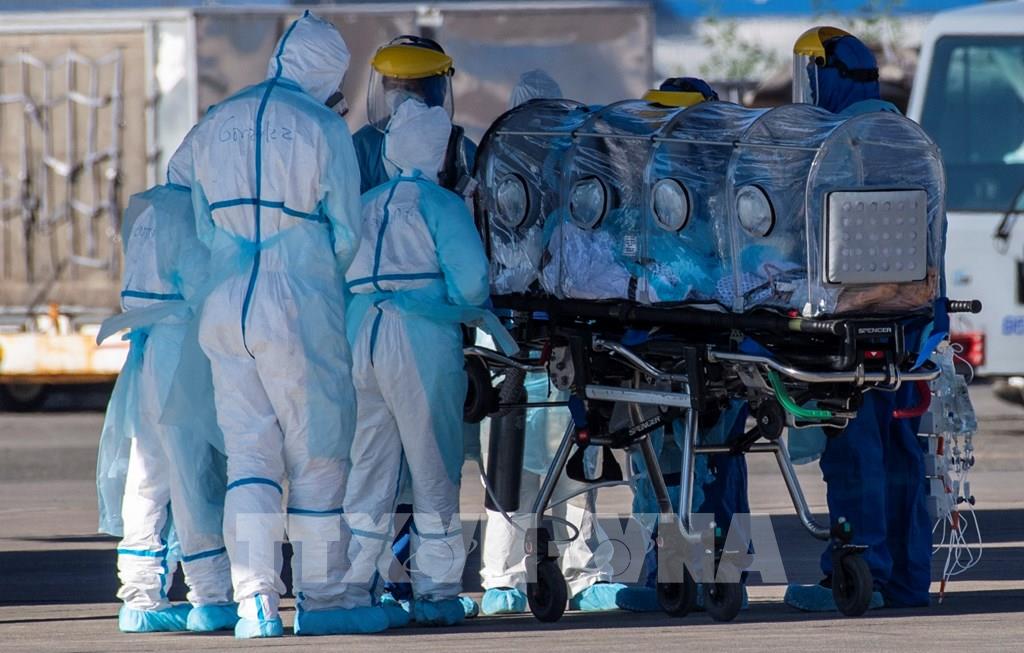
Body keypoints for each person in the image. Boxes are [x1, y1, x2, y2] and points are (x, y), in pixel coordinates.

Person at [187, 11, 371, 638]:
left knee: (249, 457)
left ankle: (255, 604)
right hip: (296, 302)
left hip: (224, 302)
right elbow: (346, 233)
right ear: (327, 70)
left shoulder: (217, 119)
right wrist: (312, 271)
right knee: (318, 452)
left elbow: (202, 223)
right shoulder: (324, 126)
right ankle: (323, 598)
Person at [784, 26, 932, 612]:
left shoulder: (832, 149)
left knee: (855, 453)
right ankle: (906, 580)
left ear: (825, 78)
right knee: (902, 455)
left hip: (844, 327)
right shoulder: (911, 142)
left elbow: (809, 247)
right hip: (912, 331)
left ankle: (857, 571)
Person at [479, 70, 630, 615]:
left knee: (572, 453)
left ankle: (578, 572)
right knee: (513, 458)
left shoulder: (577, 175)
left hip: (559, 336)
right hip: (516, 338)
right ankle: (506, 577)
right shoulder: (497, 178)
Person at [338, 99, 491, 628]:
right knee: (433, 466)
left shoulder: (364, 202)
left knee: (368, 466)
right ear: (438, 149)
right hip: (420, 338)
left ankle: (353, 589)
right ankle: (437, 591)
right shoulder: (442, 205)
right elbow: (472, 282)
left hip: (361, 334)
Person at [96, 136, 235, 634]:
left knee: (147, 473)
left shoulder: (148, 207)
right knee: (192, 474)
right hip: (181, 349)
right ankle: (211, 594)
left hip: (146, 351)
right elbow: (205, 287)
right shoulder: (191, 214)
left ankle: (139, 596)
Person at [353, 35, 477, 195]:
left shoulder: (461, 151)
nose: (399, 96)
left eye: (409, 88)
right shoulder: (365, 144)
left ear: (435, 91)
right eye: (392, 87)